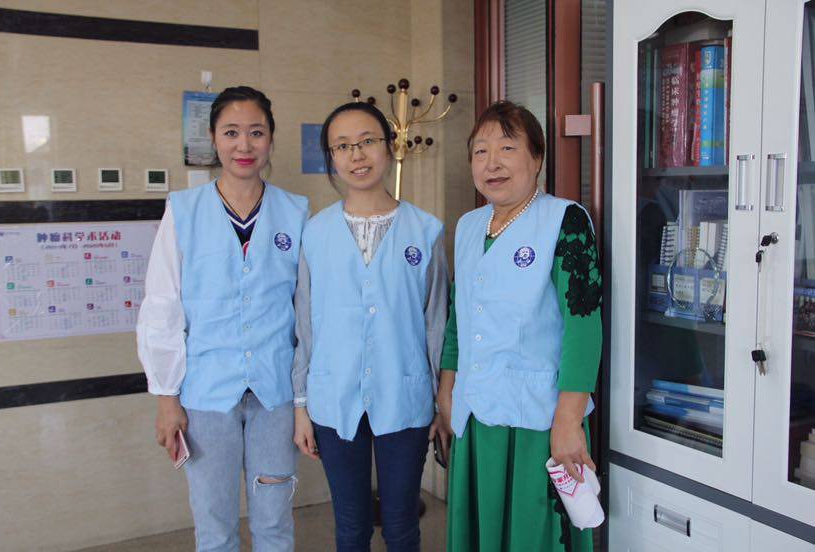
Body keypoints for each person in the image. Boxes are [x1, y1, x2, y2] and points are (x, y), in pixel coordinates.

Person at [137, 86, 308, 552]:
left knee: (274, 523)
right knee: (214, 527)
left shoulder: (296, 212)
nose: (244, 145)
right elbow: (162, 306)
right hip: (206, 395)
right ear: (213, 138)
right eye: (231, 133)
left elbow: (305, 311)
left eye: (256, 132)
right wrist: (167, 398)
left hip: (274, 393)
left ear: (270, 139)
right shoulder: (183, 210)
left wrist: (302, 398)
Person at [438, 100, 603, 552]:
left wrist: (568, 420)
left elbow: (584, 327)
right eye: (480, 151)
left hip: (538, 419)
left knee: (533, 536)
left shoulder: (565, 221)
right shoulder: (469, 226)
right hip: (476, 411)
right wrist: (447, 390)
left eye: (507, 149)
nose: (491, 163)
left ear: (537, 158)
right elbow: (459, 315)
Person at [291, 101, 449, 552]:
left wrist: (441, 402)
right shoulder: (315, 233)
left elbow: (436, 323)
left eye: (367, 141)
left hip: (406, 396)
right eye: (342, 146)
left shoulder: (425, 230)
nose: (356, 155)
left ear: (389, 146)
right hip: (333, 397)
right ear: (331, 157)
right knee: (351, 528)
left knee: (401, 527)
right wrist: (301, 406)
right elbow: (305, 325)